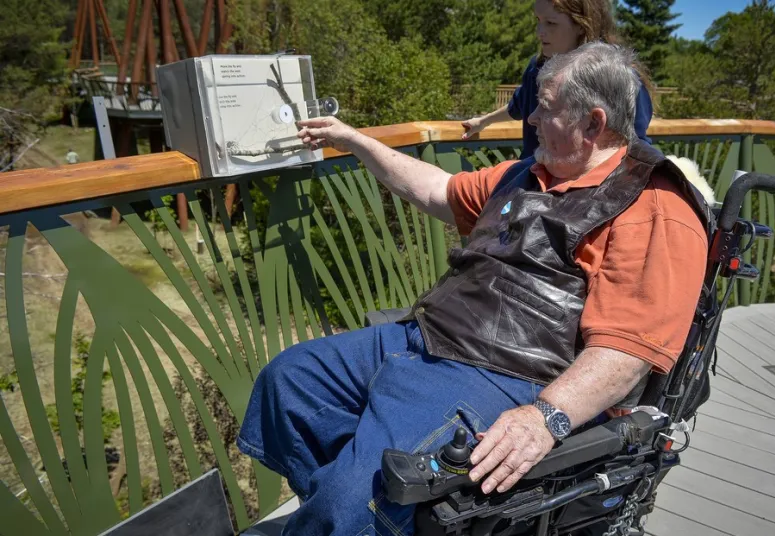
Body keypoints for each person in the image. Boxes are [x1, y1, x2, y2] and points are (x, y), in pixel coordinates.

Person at [237, 43, 711, 536]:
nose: (528, 118)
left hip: (507, 374)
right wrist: (352, 140)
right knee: (287, 383)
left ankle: (353, 510)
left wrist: (545, 417)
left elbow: (625, 352)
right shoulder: (528, 174)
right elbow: (434, 189)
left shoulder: (653, 206)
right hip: (424, 337)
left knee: (357, 499)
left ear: (593, 124)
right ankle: (367, 512)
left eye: (544, 109)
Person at [461, 0, 654, 155]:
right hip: (534, 184)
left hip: (589, 195)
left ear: (581, 24)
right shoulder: (536, 68)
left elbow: (635, 146)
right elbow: (519, 106)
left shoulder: (618, 77)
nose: (539, 32)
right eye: (538, 20)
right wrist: (483, 121)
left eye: (550, 23)